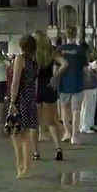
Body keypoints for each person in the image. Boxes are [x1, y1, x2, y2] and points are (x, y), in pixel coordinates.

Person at [7, 34, 39, 178]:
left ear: (21, 46)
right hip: (31, 99)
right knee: (25, 135)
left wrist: (12, 101)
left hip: (21, 99)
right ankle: (25, 167)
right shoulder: (33, 61)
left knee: (16, 134)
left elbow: (15, 82)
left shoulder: (20, 59)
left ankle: (20, 165)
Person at [33, 31, 66, 161]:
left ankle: (36, 153)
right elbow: (65, 64)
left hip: (35, 88)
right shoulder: (52, 51)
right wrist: (55, 77)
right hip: (49, 87)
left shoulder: (33, 53)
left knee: (34, 123)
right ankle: (58, 149)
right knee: (51, 121)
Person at [55, 27, 90, 146]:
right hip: (78, 84)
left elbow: (56, 69)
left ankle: (67, 132)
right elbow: (85, 70)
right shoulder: (80, 50)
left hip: (64, 84)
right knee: (76, 111)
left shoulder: (60, 50)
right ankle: (75, 136)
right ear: (76, 35)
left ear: (65, 35)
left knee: (64, 110)